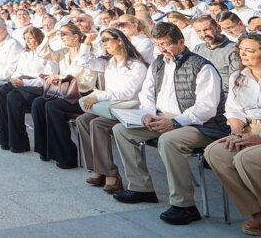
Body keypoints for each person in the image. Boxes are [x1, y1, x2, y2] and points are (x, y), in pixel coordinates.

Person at [111, 22, 229, 226]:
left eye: (166, 44)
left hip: (201, 125)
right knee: (121, 130)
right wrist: (147, 115)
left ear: (181, 42)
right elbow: (147, 94)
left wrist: (175, 122)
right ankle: (141, 188)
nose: (162, 49)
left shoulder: (202, 66)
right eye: (158, 44)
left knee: (168, 141)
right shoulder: (158, 63)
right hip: (163, 117)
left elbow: (206, 108)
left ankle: (185, 206)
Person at [205, 34, 261, 237]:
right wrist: (236, 133)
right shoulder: (238, 77)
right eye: (241, 50)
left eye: (250, 50)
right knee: (216, 152)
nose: (243, 54)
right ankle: (257, 212)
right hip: (250, 128)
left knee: (246, 158)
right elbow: (234, 110)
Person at [76, 28, 148, 193]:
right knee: (82, 120)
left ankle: (111, 174)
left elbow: (127, 94)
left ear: (120, 41)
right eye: (102, 41)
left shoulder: (136, 65)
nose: (104, 44)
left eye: (107, 39)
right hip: (110, 108)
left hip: (130, 109)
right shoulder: (109, 63)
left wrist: (98, 96)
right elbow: (84, 62)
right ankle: (98, 168)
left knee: (97, 124)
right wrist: (87, 43)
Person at [32, 22, 100, 168]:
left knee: (52, 107)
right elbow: (43, 53)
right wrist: (47, 37)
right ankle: (46, 149)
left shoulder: (88, 52)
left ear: (76, 37)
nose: (61, 37)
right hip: (65, 93)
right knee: (38, 103)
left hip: (83, 94)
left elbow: (84, 79)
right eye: (60, 34)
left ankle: (67, 155)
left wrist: (61, 77)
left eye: (64, 34)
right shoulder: (64, 52)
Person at [0, 27, 56, 153]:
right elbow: (19, 70)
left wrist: (24, 82)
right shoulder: (25, 53)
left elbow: (46, 79)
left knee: (13, 97)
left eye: (30, 38)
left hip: (38, 88)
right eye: (25, 38)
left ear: (38, 38)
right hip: (22, 83)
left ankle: (20, 143)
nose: (27, 41)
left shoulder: (48, 54)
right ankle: (6, 139)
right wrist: (15, 79)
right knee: (1, 94)